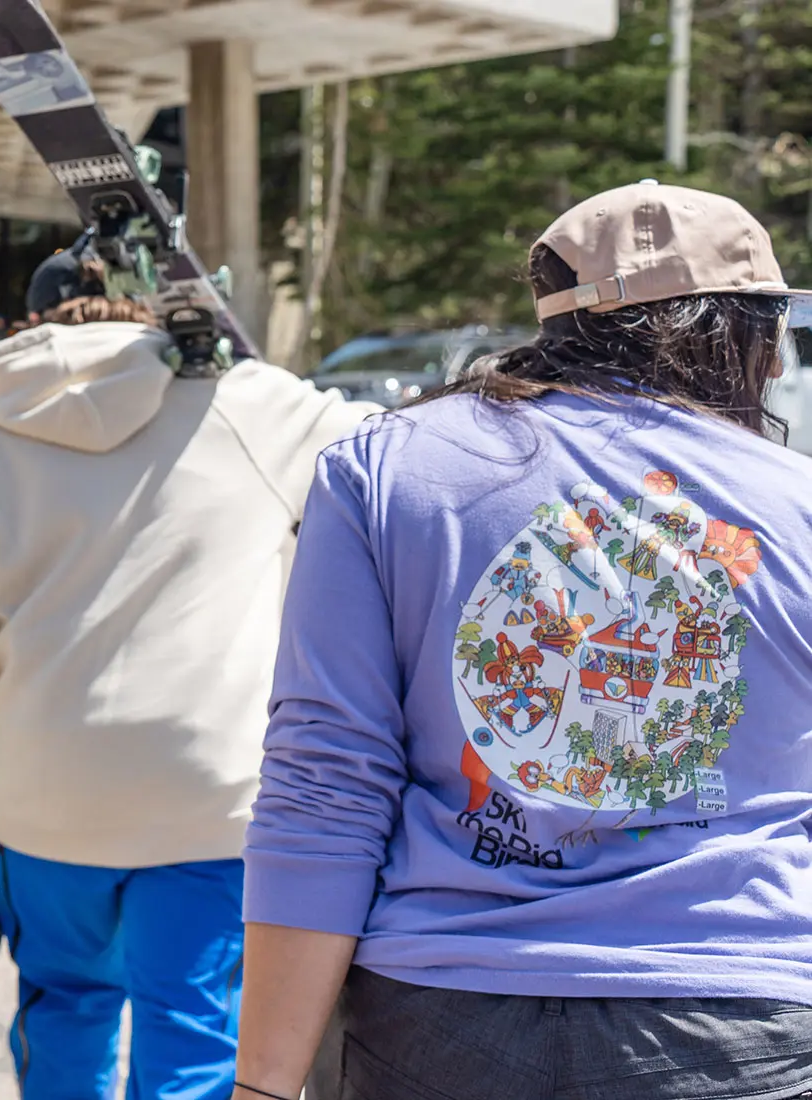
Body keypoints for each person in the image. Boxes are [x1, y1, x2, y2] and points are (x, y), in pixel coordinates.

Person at [235, 181, 812, 1100]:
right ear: (743, 335)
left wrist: (264, 1083)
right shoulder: (796, 503)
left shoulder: (385, 468)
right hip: (733, 1014)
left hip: (436, 1018)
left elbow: (326, 782)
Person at [0, 251, 376, 1100]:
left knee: (63, 1013)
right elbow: (388, 448)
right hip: (206, 800)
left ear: (34, 322)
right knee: (193, 1031)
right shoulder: (245, 404)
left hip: (46, 796)